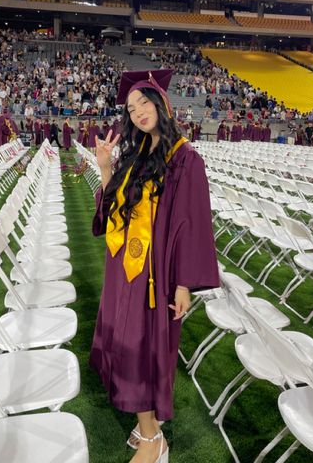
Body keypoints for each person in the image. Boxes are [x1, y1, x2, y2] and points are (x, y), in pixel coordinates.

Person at [91, 69, 219, 463]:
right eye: (131, 108)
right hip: (124, 271)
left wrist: (183, 284)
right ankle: (146, 427)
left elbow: (191, 224)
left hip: (154, 277)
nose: (138, 112)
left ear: (162, 103)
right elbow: (114, 211)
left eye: (144, 102)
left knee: (143, 348)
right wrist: (106, 168)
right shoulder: (138, 153)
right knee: (125, 343)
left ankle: (153, 441)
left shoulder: (185, 159)